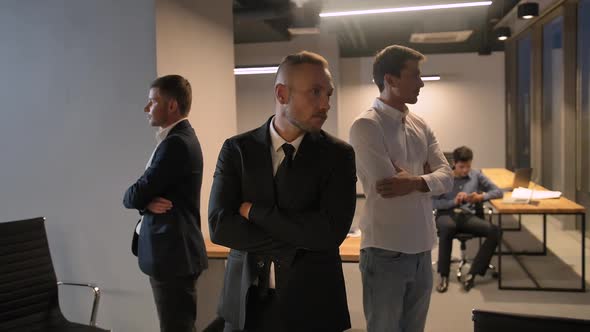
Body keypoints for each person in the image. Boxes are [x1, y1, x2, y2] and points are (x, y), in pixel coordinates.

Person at [209, 51, 356, 332]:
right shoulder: (237, 150)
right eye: (315, 92)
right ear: (281, 94)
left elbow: (329, 233)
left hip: (313, 305)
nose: (326, 104)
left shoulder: (338, 155)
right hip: (245, 302)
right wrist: (295, 241)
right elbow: (220, 226)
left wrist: (254, 212)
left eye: (329, 94)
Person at [349, 45, 453, 332]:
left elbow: (448, 178)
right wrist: (428, 178)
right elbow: (388, 186)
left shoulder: (420, 123)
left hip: (422, 249)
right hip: (386, 252)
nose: (421, 82)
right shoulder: (366, 125)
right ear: (390, 80)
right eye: (415, 75)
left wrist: (416, 181)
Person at [123, 75, 207, 332]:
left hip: (172, 255)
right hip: (175, 253)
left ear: (172, 106)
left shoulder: (176, 144)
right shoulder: (179, 138)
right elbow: (143, 196)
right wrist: (146, 204)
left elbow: (133, 195)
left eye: (152, 101)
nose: (146, 108)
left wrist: (142, 201)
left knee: (176, 327)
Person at [433, 146, 502, 292]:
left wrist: (480, 197)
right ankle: (443, 275)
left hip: (466, 216)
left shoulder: (476, 175)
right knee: (447, 228)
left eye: (468, 166)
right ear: (454, 163)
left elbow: (498, 191)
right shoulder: (444, 178)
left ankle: (473, 273)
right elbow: (433, 202)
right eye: (461, 166)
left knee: (495, 231)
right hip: (446, 214)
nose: (465, 170)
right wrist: (453, 202)